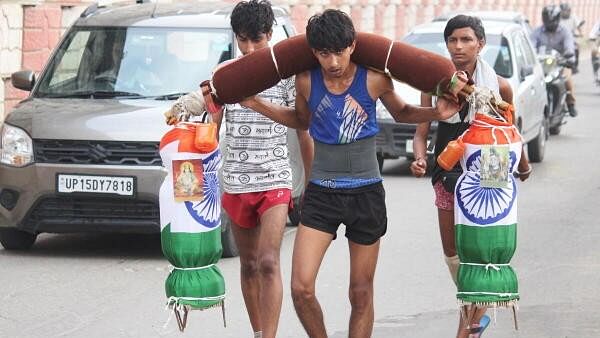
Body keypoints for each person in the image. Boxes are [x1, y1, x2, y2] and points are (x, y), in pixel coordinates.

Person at [242, 9, 463, 337]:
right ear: (314, 52)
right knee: (301, 289)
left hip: (366, 193)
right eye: (323, 54)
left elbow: (401, 111)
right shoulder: (306, 80)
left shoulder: (374, 78)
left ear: (353, 46)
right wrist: (257, 104)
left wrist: (435, 111)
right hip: (322, 194)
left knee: (360, 292)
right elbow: (302, 120)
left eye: (339, 52)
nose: (332, 62)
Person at [410, 15, 531, 338]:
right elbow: (421, 134)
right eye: (453, 40)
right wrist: (420, 158)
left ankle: (467, 330)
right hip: (447, 174)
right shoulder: (435, 86)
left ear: (481, 44)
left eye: (466, 40)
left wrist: (523, 164)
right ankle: (478, 312)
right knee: (454, 257)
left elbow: (511, 132)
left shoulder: (500, 86)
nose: (459, 46)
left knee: (479, 258)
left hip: (487, 179)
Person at [211, 1, 313, 338]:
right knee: (249, 264)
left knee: (269, 262)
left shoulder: (286, 76)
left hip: (275, 180)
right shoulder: (224, 74)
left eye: (258, 39)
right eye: (243, 40)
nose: (251, 48)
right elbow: (211, 130)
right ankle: (258, 332)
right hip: (236, 182)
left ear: (270, 35)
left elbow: (303, 127)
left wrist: (312, 184)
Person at [532, 5, 578, 117]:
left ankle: (571, 104)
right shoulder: (537, 32)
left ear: (557, 19)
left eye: (552, 19)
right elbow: (531, 46)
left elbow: (569, 47)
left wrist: (569, 59)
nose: (549, 22)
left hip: (560, 63)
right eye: (547, 19)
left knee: (567, 80)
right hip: (541, 64)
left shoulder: (565, 32)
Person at [559, 2, 583, 73]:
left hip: (571, 38)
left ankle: (574, 65)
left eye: (568, 10)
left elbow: (578, 26)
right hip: (560, 38)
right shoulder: (558, 19)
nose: (566, 12)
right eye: (564, 11)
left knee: (576, 47)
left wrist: (580, 33)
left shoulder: (573, 17)